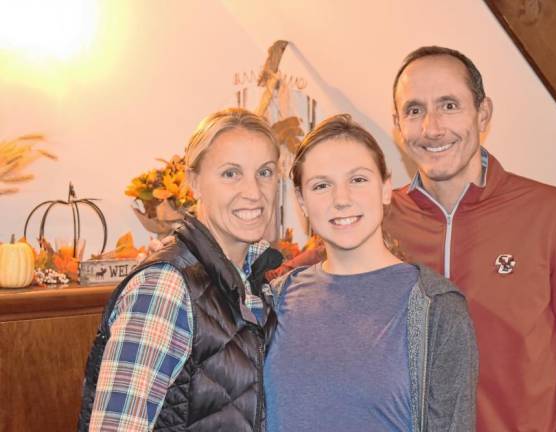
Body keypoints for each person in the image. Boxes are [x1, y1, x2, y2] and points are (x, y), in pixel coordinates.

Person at [385, 46, 556, 431]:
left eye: (449, 105)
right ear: (398, 125)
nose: (431, 128)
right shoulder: (378, 218)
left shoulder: (551, 213)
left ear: (483, 113)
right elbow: (297, 278)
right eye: (414, 110)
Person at [264, 114, 478, 432]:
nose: (342, 199)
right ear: (302, 202)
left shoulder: (437, 308)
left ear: (385, 188)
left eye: (358, 179)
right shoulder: (274, 301)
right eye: (322, 185)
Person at [78, 108, 284, 432]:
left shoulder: (256, 280)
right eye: (231, 173)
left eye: (265, 172)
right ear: (194, 182)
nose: (253, 192)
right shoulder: (165, 287)